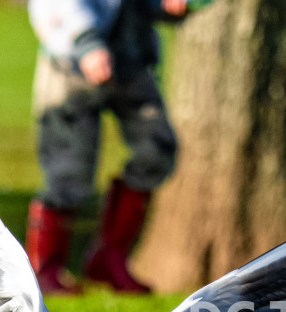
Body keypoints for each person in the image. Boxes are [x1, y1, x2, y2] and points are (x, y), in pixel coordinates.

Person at [26, 0, 188, 293]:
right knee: (67, 169)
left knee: (157, 149)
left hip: (131, 57)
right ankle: (43, 270)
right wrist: (87, 41)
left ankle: (109, 259)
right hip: (72, 58)